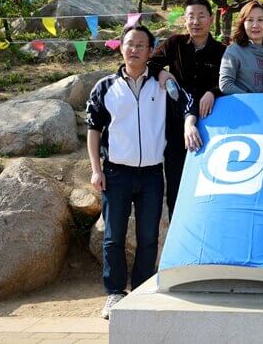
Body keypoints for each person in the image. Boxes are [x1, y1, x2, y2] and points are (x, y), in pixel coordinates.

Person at [86, 26, 201, 320]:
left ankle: (141, 289)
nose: (134, 49)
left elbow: (188, 103)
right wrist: (96, 170)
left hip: (151, 174)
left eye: (141, 45)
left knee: (148, 236)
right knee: (113, 236)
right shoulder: (105, 86)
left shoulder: (162, 85)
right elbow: (93, 130)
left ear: (151, 51)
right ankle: (114, 292)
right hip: (116, 173)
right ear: (121, 48)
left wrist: (187, 117)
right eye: (129, 44)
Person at [150, 0, 225, 219]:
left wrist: (213, 91)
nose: (196, 21)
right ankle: (177, 226)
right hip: (176, 124)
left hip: (212, 123)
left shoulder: (222, 51)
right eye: (191, 16)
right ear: (184, 19)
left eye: (201, 16)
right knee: (176, 180)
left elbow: (230, 83)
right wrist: (161, 72)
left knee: (208, 179)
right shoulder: (175, 44)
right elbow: (150, 63)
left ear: (211, 19)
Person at [219, 0, 263, 94]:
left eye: (260, 20)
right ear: (243, 23)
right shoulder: (234, 51)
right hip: (242, 103)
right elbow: (225, 85)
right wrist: (256, 99)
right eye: (250, 20)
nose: (255, 25)